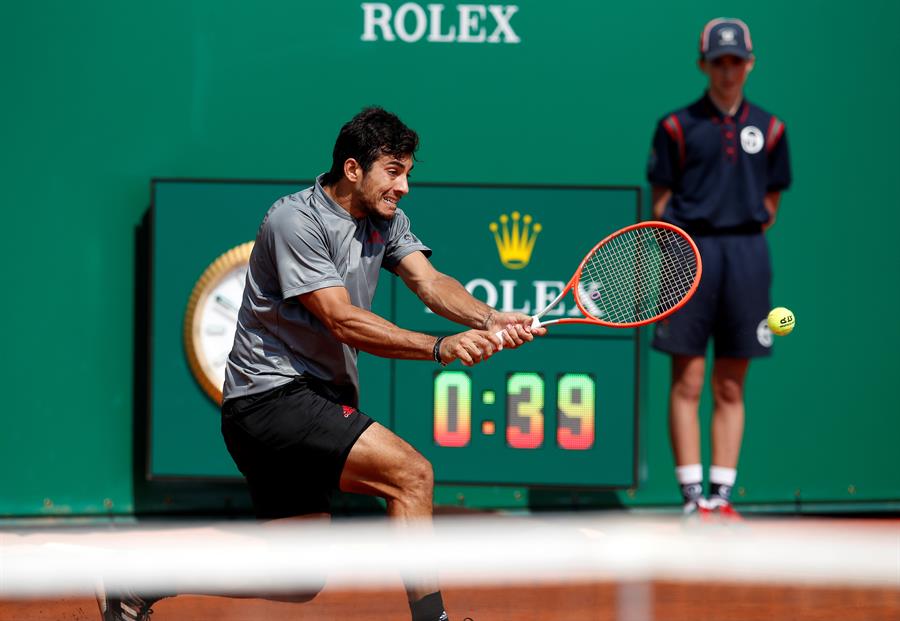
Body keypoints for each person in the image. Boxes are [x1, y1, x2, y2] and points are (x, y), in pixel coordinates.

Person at [97, 107, 543, 621]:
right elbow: (342, 320)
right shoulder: (295, 220)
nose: (404, 188)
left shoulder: (386, 220)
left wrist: (490, 318)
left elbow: (429, 282)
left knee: (295, 578)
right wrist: (442, 347)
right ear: (353, 169)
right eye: (394, 171)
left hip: (300, 402)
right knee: (411, 475)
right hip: (272, 397)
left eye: (408, 174)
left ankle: (135, 584)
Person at [646, 18, 791, 517]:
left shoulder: (771, 128)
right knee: (687, 380)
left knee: (731, 383)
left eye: (736, 61)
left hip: (747, 258)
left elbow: (771, 202)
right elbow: (660, 200)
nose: (727, 70)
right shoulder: (675, 127)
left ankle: (722, 497)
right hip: (688, 254)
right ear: (703, 65)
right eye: (718, 61)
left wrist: (737, 236)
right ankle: (692, 499)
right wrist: (694, 241)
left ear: (749, 63)